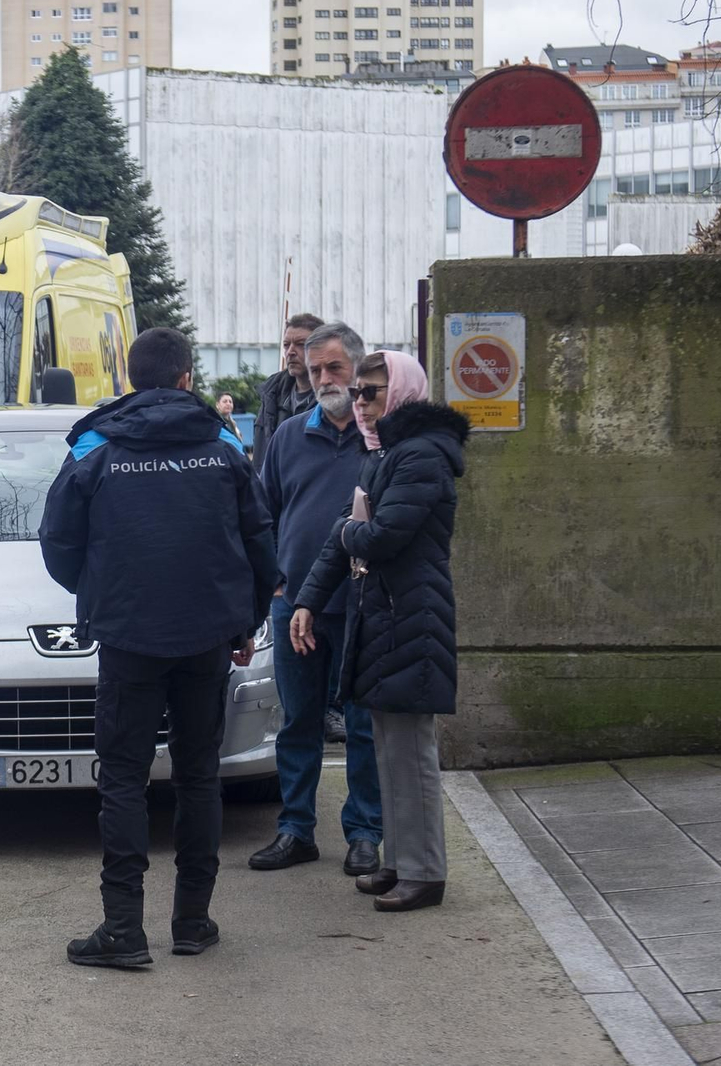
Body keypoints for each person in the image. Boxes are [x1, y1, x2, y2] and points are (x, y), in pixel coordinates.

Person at [40, 327, 277, 969]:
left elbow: (57, 537)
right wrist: (244, 621)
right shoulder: (223, 443)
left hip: (127, 637)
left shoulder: (97, 443)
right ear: (185, 379)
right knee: (200, 774)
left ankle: (123, 930)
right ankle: (193, 923)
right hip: (206, 636)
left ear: (133, 380)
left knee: (122, 776)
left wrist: (101, 593)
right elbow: (260, 538)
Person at [292, 350, 468, 912]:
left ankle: (424, 872)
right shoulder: (388, 454)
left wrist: (349, 533)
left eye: (371, 392)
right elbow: (345, 536)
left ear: (403, 394)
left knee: (411, 750)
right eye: (359, 392)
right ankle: (400, 863)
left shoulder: (420, 455)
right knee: (390, 746)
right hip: (388, 613)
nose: (359, 402)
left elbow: (382, 534)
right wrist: (308, 601)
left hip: (411, 614)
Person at [251, 321, 383, 877]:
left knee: (362, 724)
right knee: (298, 721)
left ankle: (365, 833)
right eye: (314, 370)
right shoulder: (287, 438)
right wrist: (276, 583)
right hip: (293, 605)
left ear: (356, 371)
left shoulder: (381, 438)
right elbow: (262, 515)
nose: (324, 379)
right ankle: (296, 830)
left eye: (334, 368)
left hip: (360, 605)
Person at [251, 313, 323, 471]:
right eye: (286, 345)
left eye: (300, 344)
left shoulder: (331, 401)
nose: (290, 351)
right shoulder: (271, 395)